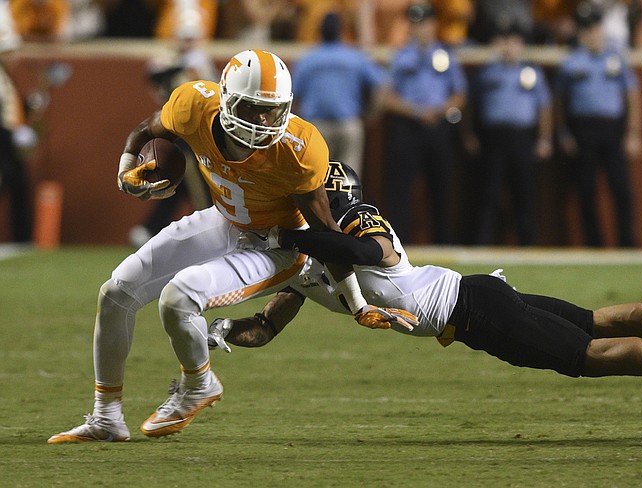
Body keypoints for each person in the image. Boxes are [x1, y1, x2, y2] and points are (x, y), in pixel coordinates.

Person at [47, 50, 416, 444]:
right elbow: (147, 130)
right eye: (253, 107)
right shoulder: (193, 104)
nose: (261, 121)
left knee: (179, 298)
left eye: (272, 112)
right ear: (225, 99)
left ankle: (198, 385)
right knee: (115, 293)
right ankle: (106, 417)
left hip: (277, 247)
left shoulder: (299, 147)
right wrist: (125, 170)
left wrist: (358, 305)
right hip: (225, 219)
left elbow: (327, 233)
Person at [208, 161, 642, 412]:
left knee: (589, 357)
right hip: (476, 300)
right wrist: (223, 332)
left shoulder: (354, 224)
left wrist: (297, 235)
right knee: (595, 321)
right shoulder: (308, 266)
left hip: (472, 308)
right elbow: (266, 326)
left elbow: (361, 253)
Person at [554, 2, 642, 247]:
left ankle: (627, 242)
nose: (591, 34)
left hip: (611, 128)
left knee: (621, 189)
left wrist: (633, 133)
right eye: (585, 29)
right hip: (582, 129)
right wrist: (563, 132)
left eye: (594, 28)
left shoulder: (615, 59)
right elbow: (559, 102)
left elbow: (632, 96)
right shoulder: (571, 62)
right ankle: (595, 243)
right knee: (586, 190)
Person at [127, 15, 216, 248]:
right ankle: (208, 220)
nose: (188, 43)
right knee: (193, 177)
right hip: (176, 127)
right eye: (184, 38)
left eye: (191, 39)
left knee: (179, 180)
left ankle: (151, 227)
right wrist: (182, 66)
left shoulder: (201, 64)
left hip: (197, 129)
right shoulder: (169, 62)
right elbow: (156, 76)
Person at [383, 2, 467, 244]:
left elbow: (460, 93)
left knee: (441, 186)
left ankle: (444, 242)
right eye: (415, 24)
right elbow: (388, 97)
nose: (420, 29)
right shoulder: (399, 56)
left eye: (425, 24)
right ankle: (398, 245)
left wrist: (441, 109)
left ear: (433, 25)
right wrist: (417, 111)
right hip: (408, 125)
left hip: (438, 125)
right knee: (401, 189)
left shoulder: (444, 55)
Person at [471, 22, 553, 245]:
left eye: (514, 41)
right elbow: (473, 105)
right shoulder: (487, 71)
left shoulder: (531, 72)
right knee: (488, 191)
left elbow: (544, 106)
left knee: (524, 192)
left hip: (522, 137)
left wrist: (544, 138)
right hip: (494, 136)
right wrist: (470, 134)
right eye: (505, 41)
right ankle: (482, 241)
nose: (509, 47)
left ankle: (527, 242)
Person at [291, 11, 387, 177]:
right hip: (348, 124)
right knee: (348, 181)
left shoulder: (308, 59)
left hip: (317, 127)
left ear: (320, 31)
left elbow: (292, 95)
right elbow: (381, 86)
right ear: (341, 31)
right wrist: (371, 115)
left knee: (315, 180)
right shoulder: (355, 56)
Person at [0, 9, 36, 244]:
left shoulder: (6, 76)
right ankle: (21, 238)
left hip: (7, 142)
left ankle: (22, 239)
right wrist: (12, 134)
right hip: (3, 142)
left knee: (17, 184)